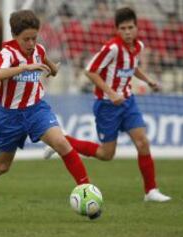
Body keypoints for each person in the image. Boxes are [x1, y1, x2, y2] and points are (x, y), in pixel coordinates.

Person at [0, 10, 92, 221]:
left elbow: (48, 65)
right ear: (15, 36)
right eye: (26, 39)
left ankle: (86, 191)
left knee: (61, 143)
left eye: (34, 38)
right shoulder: (7, 53)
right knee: (2, 166)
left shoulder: (38, 50)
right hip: (10, 116)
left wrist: (53, 69)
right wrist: (24, 67)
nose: (31, 43)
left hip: (36, 109)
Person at [43, 7, 171, 202]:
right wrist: (111, 93)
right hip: (107, 105)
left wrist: (148, 80)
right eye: (123, 28)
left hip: (128, 102)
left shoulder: (138, 47)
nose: (127, 32)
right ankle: (63, 141)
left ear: (137, 28)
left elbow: (131, 67)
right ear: (117, 29)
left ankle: (151, 191)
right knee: (106, 154)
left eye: (130, 27)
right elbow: (90, 71)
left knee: (142, 142)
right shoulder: (112, 48)